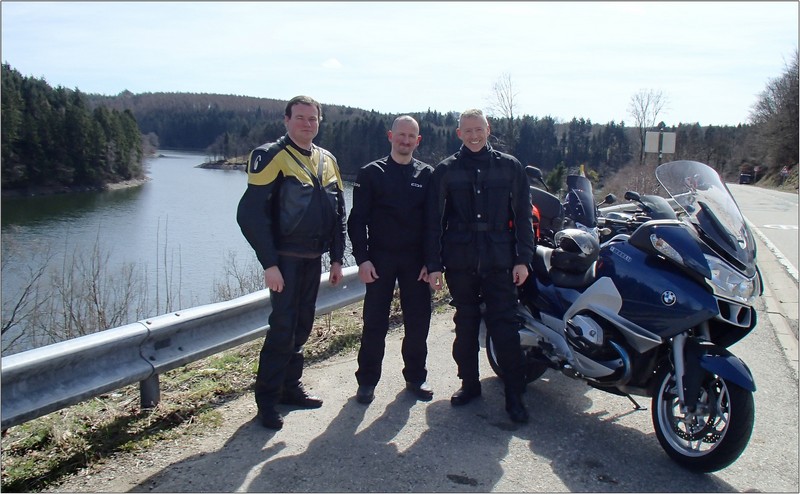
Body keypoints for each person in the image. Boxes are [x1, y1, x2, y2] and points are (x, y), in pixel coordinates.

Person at [237, 95, 347, 430]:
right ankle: (267, 401)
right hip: (284, 260)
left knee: (301, 327)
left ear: (319, 122)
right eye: (300, 118)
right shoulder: (270, 155)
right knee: (282, 329)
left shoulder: (327, 159)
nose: (307, 124)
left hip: (314, 260)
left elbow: (339, 213)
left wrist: (338, 258)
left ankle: (290, 388)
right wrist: (269, 263)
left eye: (313, 118)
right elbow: (250, 214)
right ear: (286, 120)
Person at [425, 108, 535, 423]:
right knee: (466, 325)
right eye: (467, 130)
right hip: (460, 262)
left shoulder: (509, 167)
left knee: (505, 329)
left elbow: (524, 217)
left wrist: (523, 259)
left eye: (479, 129)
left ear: (488, 129)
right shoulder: (445, 171)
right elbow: (433, 222)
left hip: (500, 261)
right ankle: (469, 384)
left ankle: (514, 395)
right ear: (458, 133)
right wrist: (434, 265)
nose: (474, 136)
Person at [347, 115, 435, 405]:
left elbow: (434, 224)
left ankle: (415, 378)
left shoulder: (427, 175)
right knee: (374, 324)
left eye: (412, 136)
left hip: (415, 261)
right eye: (401, 135)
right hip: (380, 258)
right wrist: (363, 259)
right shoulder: (371, 173)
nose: (406, 140)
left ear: (418, 141)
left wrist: (431, 261)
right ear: (390, 136)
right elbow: (356, 221)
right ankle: (367, 382)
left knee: (418, 323)